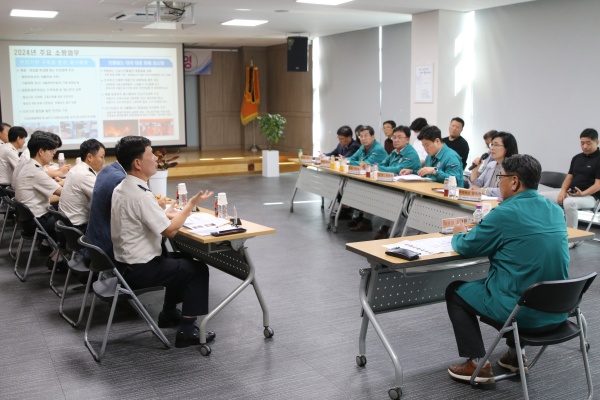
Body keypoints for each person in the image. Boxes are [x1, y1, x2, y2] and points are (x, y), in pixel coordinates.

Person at [445, 154, 569, 384]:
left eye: (500, 177)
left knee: (455, 291)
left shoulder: (504, 213)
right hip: (559, 309)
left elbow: (467, 247)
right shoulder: (555, 210)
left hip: (522, 313)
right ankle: (515, 356)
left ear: (514, 182)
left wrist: (458, 234)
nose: (498, 183)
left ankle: (475, 363)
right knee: (523, 279)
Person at [111, 136, 216, 348]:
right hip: (140, 269)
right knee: (197, 270)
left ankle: (168, 313)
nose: (156, 158)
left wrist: (165, 213)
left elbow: (142, 217)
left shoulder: (123, 187)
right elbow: (170, 231)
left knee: (183, 258)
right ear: (137, 163)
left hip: (124, 266)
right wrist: (190, 205)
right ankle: (186, 331)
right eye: (150, 154)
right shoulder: (139, 195)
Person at [539, 128, 600, 236]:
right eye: (582, 143)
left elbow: (597, 185)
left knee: (569, 202)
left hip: (591, 197)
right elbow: (569, 178)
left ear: (597, 142)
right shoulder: (576, 158)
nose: (584, 146)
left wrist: (582, 194)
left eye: (588, 143)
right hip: (572, 193)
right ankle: (546, 230)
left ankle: (571, 237)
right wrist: (562, 191)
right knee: (539, 197)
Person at [13, 132, 62, 251]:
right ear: (41, 151)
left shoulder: (31, 166)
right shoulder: (35, 172)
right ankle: (60, 255)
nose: (53, 154)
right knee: (72, 219)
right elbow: (62, 193)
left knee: (61, 208)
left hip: (30, 219)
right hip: (37, 222)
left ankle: (51, 248)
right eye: (51, 151)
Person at [374, 125, 422, 239]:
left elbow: (398, 169)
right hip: (393, 186)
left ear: (407, 139)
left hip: (407, 192)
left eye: (399, 137)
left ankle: (394, 233)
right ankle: (385, 228)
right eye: (394, 137)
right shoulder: (394, 152)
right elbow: (383, 164)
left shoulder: (410, 153)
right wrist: (379, 168)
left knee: (395, 204)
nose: (396, 140)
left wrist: (378, 168)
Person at [58, 139, 105, 232]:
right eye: (102, 157)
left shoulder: (77, 168)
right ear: (90, 157)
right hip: (77, 228)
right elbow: (103, 199)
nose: (103, 161)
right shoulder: (85, 175)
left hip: (67, 225)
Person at [85, 159, 126, 263]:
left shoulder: (107, 170)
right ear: (137, 162)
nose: (155, 158)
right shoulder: (121, 179)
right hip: (106, 247)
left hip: (93, 241)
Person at [470, 132, 518, 198]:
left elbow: (506, 191)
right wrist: (474, 170)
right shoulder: (491, 165)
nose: (492, 148)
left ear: (507, 148)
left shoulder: (513, 168)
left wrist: (483, 190)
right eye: (491, 144)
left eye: (496, 145)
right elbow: (477, 186)